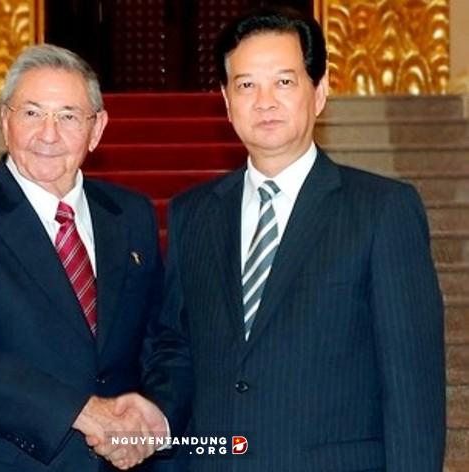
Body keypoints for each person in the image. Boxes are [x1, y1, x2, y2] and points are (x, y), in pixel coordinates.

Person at [135, 7, 446, 471]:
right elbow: (179, 345)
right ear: (226, 101)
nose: (265, 101)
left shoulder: (382, 210)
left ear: (318, 92)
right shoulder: (193, 214)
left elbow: (412, 387)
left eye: (283, 81)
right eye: (246, 85)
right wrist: (154, 410)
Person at [0, 44, 167, 472]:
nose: (48, 134)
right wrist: (83, 412)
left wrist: (152, 413)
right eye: (32, 113)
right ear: (5, 121)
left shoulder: (131, 214)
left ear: (97, 129)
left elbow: (159, 336)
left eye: (68, 116)